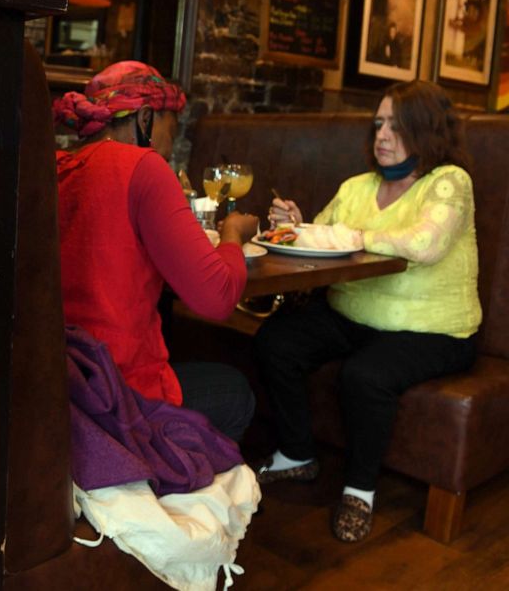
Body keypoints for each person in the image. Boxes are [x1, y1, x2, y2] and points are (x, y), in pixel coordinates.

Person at [254, 80, 480, 542]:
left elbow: (426, 243)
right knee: (275, 341)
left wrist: (349, 236)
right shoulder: (357, 187)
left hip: (433, 329)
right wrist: (299, 228)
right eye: (379, 123)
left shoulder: (450, 182)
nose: (382, 135)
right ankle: (298, 453)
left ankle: (359, 491)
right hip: (355, 313)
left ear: (427, 130)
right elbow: (324, 240)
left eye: (397, 126)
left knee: (364, 375)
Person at [53, 60, 259, 442]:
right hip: (119, 391)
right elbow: (217, 297)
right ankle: (153, 481)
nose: (171, 145)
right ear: (146, 118)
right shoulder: (143, 165)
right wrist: (233, 234)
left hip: (61, 384)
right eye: (172, 127)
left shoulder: (58, 165)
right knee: (236, 392)